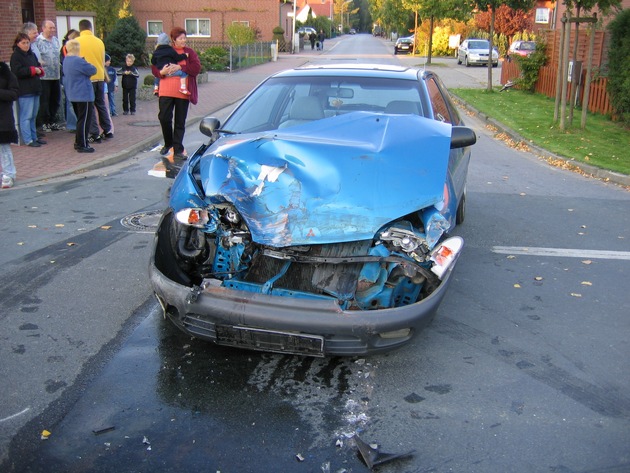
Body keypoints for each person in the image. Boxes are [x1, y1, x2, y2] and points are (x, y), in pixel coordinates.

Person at [152, 27, 201, 160]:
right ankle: (168, 143)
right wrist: (160, 73)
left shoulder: (189, 52)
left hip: (182, 91)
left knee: (180, 121)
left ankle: (178, 147)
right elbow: (154, 67)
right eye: (180, 38)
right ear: (173, 40)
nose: (183, 40)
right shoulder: (165, 50)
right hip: (166, 90)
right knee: (164, 117)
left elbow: (196, 68)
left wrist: (181, 67)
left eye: (185, 38)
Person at [75, 19, 113, 143]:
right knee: (101, 104)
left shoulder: (77, 42)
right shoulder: (99, 42)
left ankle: (94, 133)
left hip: (87, 79)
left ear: (80, 29)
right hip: (100, 76)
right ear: (90, 29)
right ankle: (107, 130)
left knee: (89, 107)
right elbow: (102, 59)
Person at [10, 32, 46, 148]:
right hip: (25, 90)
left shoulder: (31, 54)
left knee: (34, 115)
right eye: (23, 43)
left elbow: (37, 66)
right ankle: (28, 139)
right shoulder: (16, 56)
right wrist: (32, 70)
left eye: (27, 43)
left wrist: (39, 69)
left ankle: (34, 137)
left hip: (35, 88)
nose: (26, 45)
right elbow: (17, 72)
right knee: (26, 116)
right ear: (18, 44)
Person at [62, 39, 97, 153]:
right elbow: (93, 70)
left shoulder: (66, 60)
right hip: (83, 94)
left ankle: (78, 142)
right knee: (85, 120)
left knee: (80, 119)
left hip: (72, 93)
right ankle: (83, 144)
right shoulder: (78, 61)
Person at [33, 20, 62, 132]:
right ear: (43, 28)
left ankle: (52, 121)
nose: (52, 30)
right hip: (44, 77)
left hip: (56, 75)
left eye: (53, 28)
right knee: (45, 100)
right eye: (50, 28)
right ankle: (44, 123)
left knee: (55, 100)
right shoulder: (38, 41)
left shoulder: (55, 40)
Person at [0, 51, 19, 189]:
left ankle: (9, 174)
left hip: (3, 116)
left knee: (4, 147)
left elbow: (14, 94)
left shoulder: (6, 73)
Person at [60, 29, 79, 132]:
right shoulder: (66, 48)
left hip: (71, 76)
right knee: (70, 101)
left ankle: (75, 123)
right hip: (69, 77)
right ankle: (72, 124)